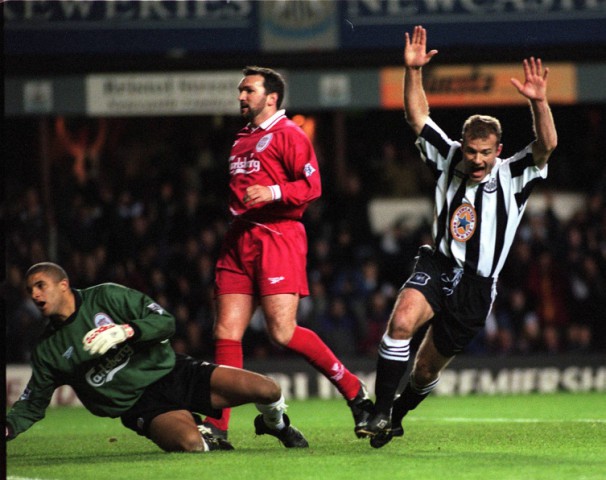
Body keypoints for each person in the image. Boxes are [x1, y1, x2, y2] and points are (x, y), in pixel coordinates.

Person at [360, 26, 557, 448]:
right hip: (439, 264)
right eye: (472, 151)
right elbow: (418, 118)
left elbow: (546, 145)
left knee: (426, 371)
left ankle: (396, 413)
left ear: (499, 150)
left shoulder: (513, 175)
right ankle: (378, 411)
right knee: (400, 322)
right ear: (463, 145)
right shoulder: (449, 158)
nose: (478, 160)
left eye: (486, 153)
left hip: (476, 287)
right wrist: (412, 72)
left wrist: (539, 102)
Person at [202, 66, 373, 439]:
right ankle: (217, 428)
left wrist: (273, 192)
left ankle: (354, 391)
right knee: (225, 332)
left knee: (282, 332)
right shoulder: (241, 138)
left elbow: (312, 186)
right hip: (239, 240)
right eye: (240, 90)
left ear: (272, 98)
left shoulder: (290, 134)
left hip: (277, 237)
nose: (241, 96)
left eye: (248, 90)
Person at [5, 262, 309, 452]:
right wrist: (8, 427)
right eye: (30, 289)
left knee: (269, 389)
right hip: (140, 406)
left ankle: (277, 426)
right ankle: (201, 431)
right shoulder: (48, 348)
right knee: (193, 446)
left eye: (40, 285)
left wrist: (126, 331)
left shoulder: (107, 296)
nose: (34, 294)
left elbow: (165, 321)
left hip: (173, 372)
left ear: (63, 285)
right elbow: (33, 402)